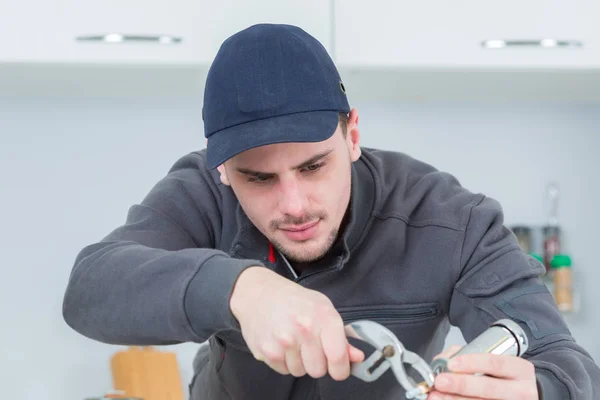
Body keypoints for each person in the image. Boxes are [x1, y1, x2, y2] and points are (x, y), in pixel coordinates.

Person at [62, 23, 599, 400]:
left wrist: (542, 389)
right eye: (258, 178)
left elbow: (564, 358)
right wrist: (241, 289)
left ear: (353, 135)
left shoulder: (450, 219)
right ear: (222, 170)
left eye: (315, 166)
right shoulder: (202, 195)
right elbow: (90, 289)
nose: (293, 205)